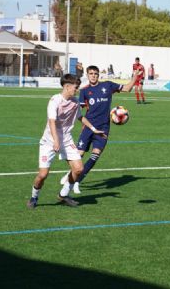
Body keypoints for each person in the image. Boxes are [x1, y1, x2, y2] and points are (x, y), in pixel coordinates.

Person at [60, 65, 138, 194]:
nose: (93, 75)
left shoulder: (108, 85)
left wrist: (135, 76)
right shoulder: (84, 91)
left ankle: (77, 181)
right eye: (91, 73)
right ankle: (71, 174)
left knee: (95, 156)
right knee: (79, 155)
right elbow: (77, 111)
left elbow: (128, 88)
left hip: (103, 128)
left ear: (98, 75)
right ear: (87, 75)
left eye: (95, 73)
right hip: (89, 127)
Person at [27, 74, 101, 209]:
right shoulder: (55, 100)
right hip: (49, 141)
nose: (77, 90)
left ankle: (63, 194)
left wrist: (93, 129)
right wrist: (56, 141)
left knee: (78, 169)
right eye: (75, 87)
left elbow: (80, 117)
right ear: (67, 86)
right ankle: (34, 196)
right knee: (43, 175)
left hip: (66, 140)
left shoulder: (75, 102)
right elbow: (51, 122)